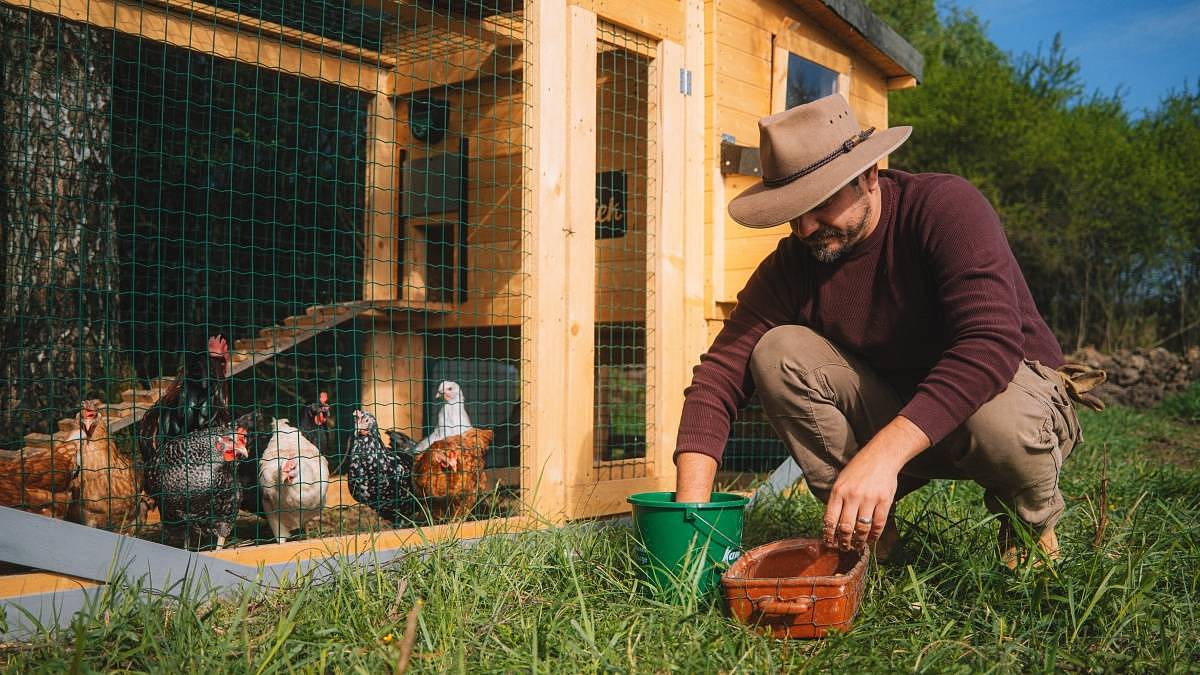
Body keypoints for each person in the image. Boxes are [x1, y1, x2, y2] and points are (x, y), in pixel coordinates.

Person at [673, 94, 1101, 567]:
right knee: (777, 351)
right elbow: (718, 377)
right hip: (901, 419)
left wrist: (881, 455)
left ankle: (1028, 529)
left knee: (993, 412)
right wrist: (691, 519)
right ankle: (875, 542)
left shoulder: (943, 208)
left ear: (870, 176)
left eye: (820, 204)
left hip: (1009, 412)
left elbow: (989, 344)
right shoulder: (794, 264)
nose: (806, 226)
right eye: (793, 212)